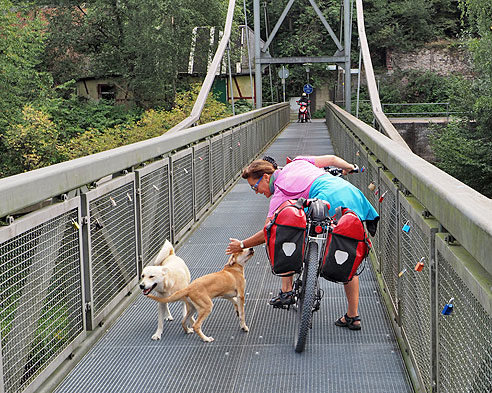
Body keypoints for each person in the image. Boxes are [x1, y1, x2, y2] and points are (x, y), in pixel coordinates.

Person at [226, 155, 379, 330]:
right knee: (348, 253)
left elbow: (268, 232)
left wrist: (243, 245)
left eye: (255, 186)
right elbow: (331, 159)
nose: (256, 191)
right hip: (352, 193)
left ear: (266, 177)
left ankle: (287, 291)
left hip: (326, 199)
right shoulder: (298, 162)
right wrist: (349, 167)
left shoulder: (280, 194)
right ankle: (353, 316)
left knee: (285, 231)